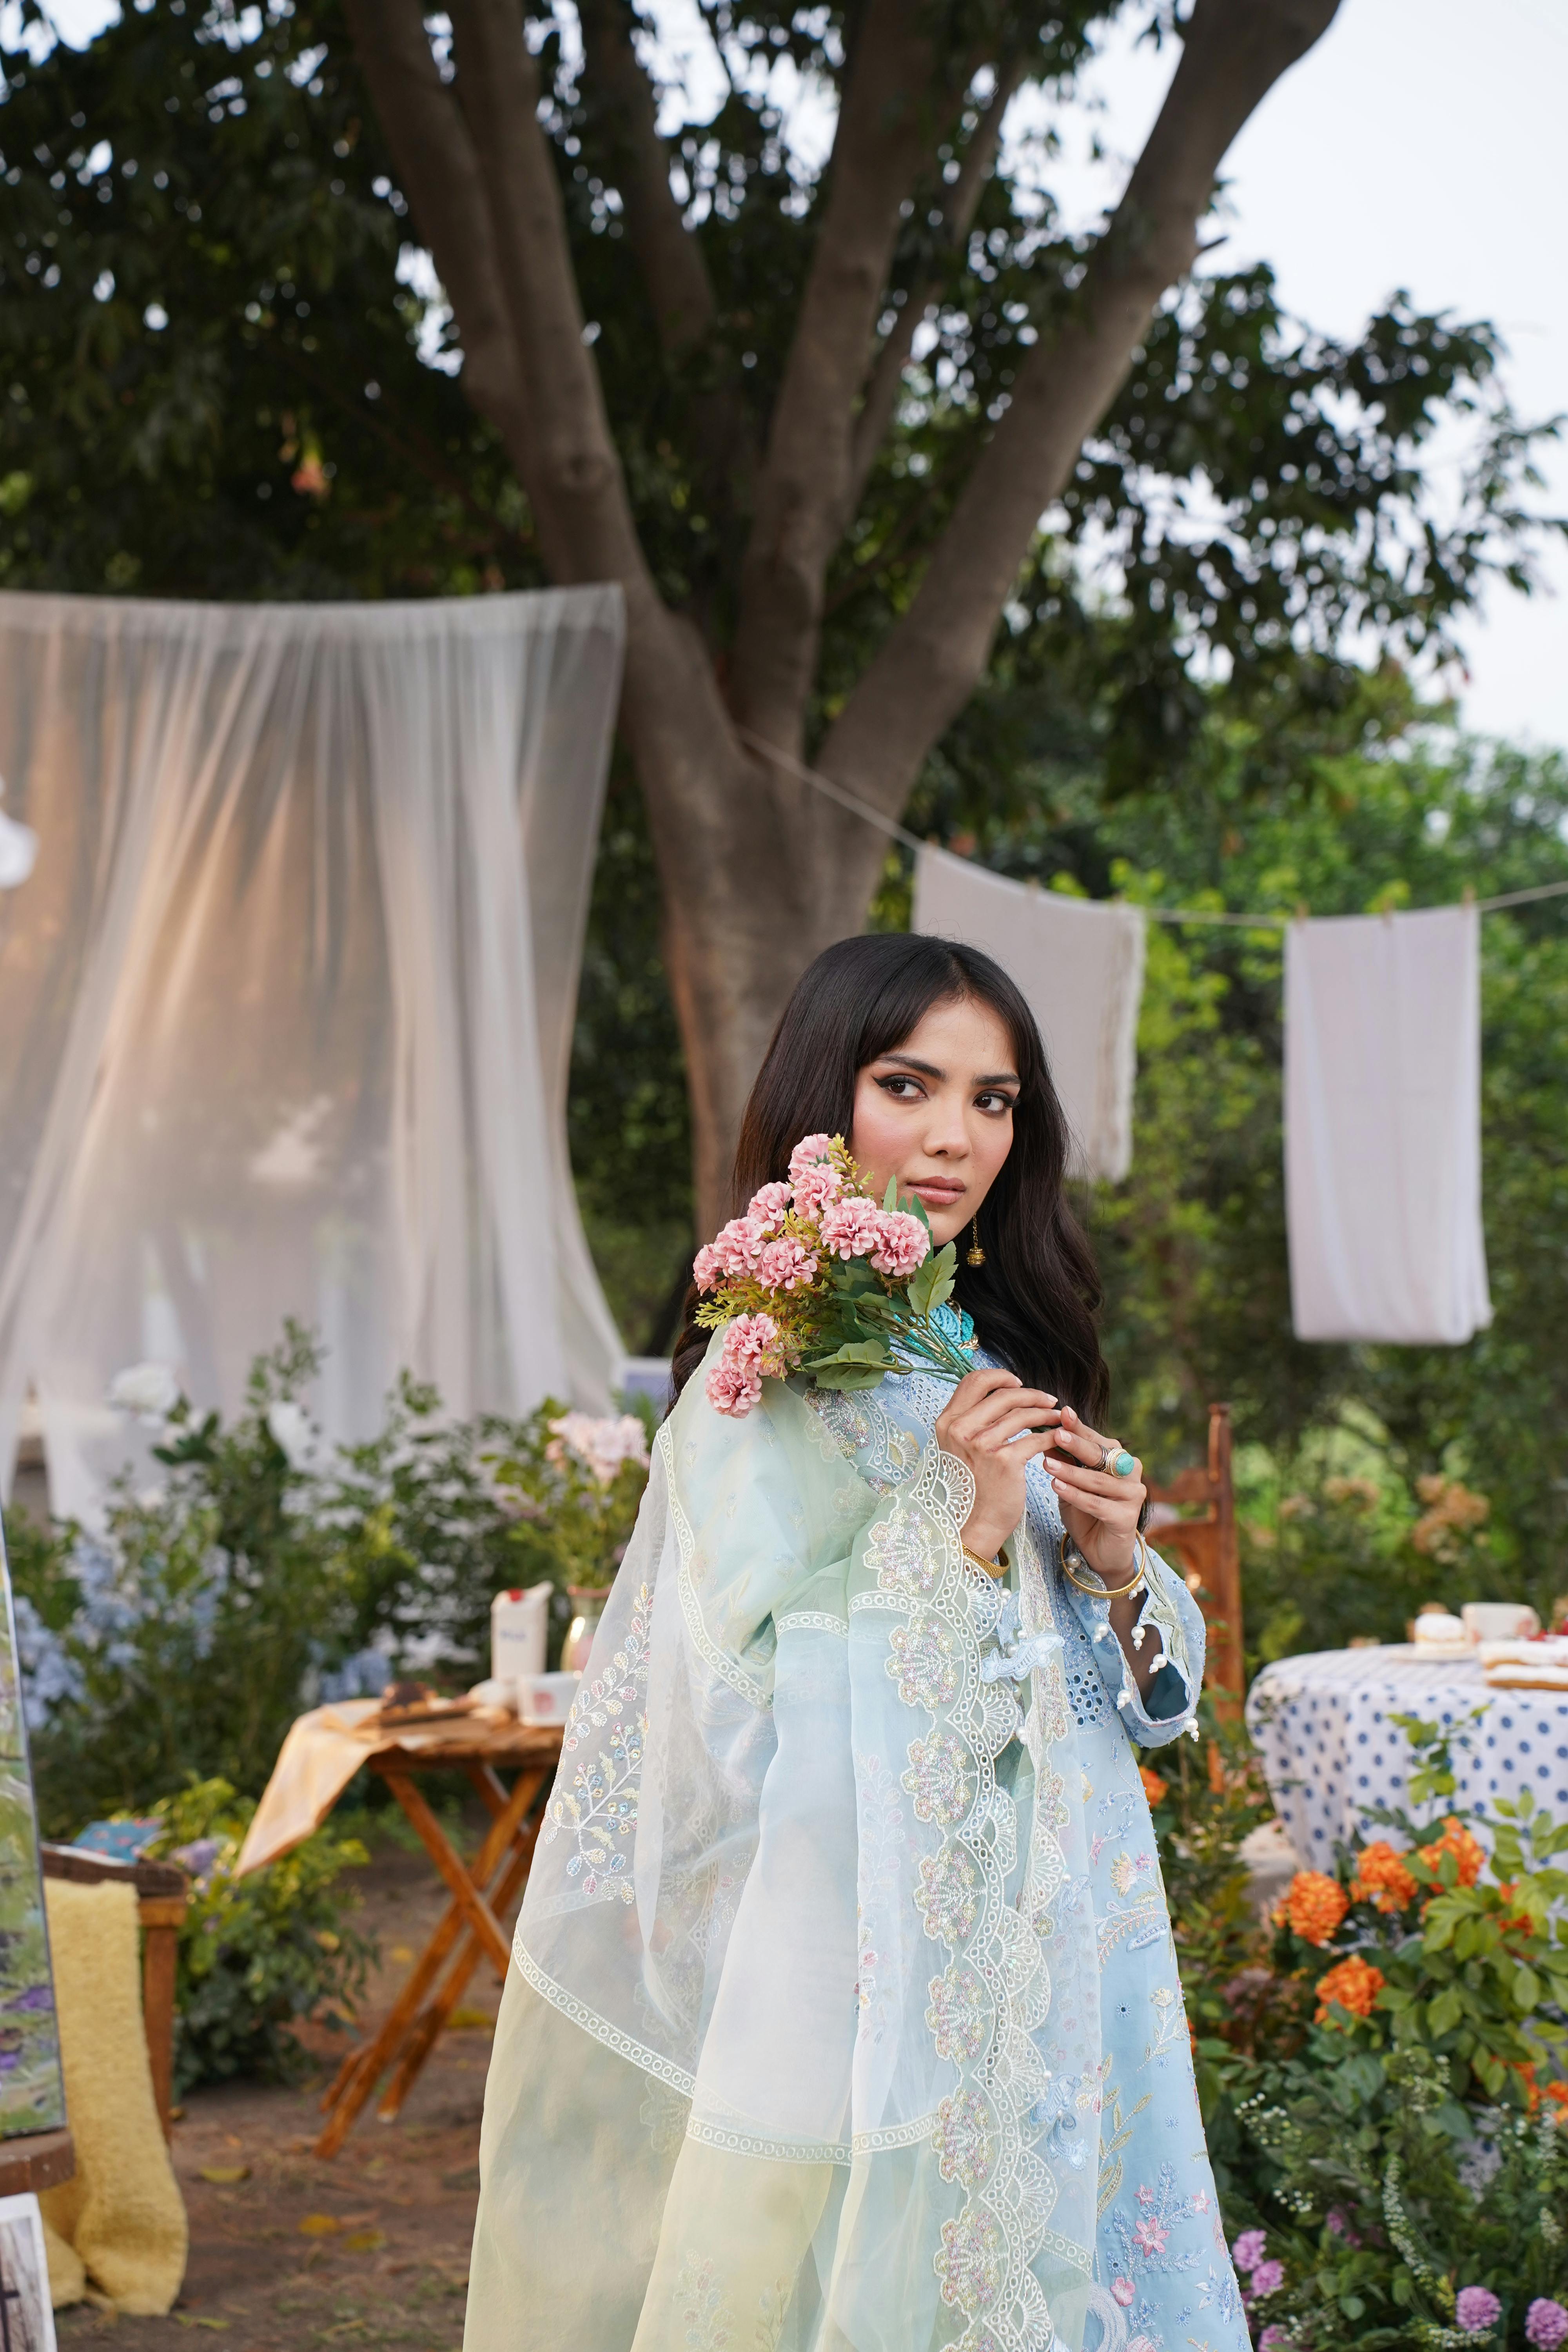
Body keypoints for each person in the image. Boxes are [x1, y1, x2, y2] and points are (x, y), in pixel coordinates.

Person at [465, 934, 1248, 2352]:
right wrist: (954, 1538)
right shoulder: (759, 1387)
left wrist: (1121, 1561)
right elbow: (735, 1711)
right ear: (828, 1102)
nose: (956, 1138)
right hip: (875, 1953)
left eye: (995, 1101)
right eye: (911, 1084)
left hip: (1064, 1926)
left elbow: (1137, 1707)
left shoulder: (986, 1358)